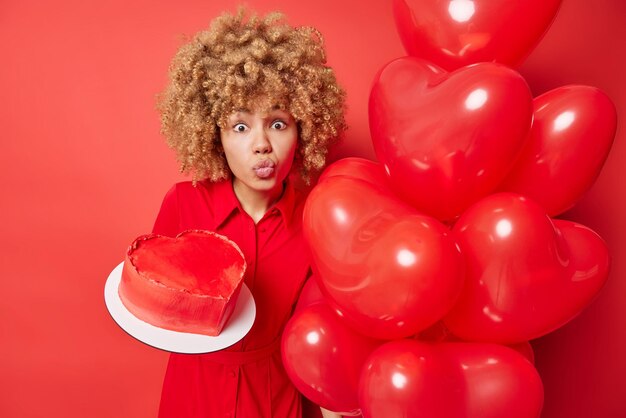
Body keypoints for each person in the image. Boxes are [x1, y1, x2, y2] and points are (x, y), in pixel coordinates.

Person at [152, 8, 347, 418]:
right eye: (240, 126)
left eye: (277, 123)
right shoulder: (182, 204)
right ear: (214, 135)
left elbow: (324, 330)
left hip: (274, 398)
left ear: (303, 128)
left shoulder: (320, 217)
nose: (261, 144)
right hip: (194, 394)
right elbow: (158, 302)